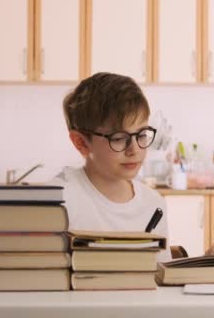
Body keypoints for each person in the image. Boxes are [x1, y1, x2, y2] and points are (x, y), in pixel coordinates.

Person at [52, 72, 171, 261]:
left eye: (141, 135)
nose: (134, 150)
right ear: (81, 143)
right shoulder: (59, 199)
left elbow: (160, 279)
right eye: (119, 138)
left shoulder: (154, 204)